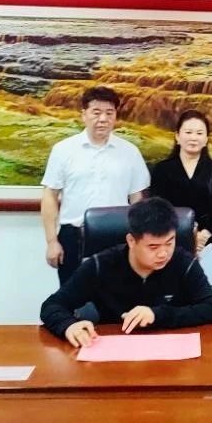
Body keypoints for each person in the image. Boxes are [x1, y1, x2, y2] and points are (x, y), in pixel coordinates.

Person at [40, 196, 212, 346]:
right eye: (153, 247)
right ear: (131, 241)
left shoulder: (184, 262)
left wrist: (157, 315)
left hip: (171, 350)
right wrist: (68, 325)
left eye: (169, 242)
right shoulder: (101, 265)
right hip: (114, 349)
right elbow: (52, 305)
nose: (163, 253)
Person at [41, 86, 150, 284]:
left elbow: (137, 200)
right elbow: (50, 195)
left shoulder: (130, 152)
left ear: (116, 116)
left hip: (117, 236)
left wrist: (140, 240)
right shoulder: (63, 150)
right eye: (96, 112)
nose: (103, 119)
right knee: (73, 296)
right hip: (74, 236)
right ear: (84, 114)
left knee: (117, 296)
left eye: (109, 113)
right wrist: (51, 241)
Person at [150, 110, 212, 254]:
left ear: (206, 139)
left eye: (199, 133)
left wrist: (203, 235)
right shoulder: (162, 169)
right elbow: (157, 208)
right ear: (177, 136)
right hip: (169, 240)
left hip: (206, 241)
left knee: (205, 270)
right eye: (188, 132)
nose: (193, 138)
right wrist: (180, 235)